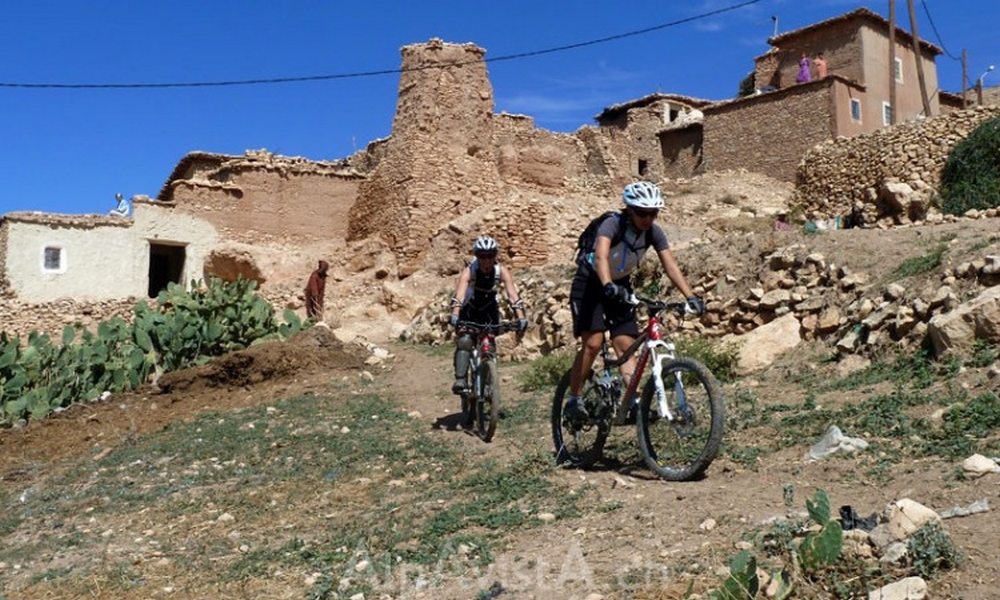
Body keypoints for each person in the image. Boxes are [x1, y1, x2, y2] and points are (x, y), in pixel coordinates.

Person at [564, 181, 705, 421]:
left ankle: (634, 401)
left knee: (625, 343)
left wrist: (690, 296)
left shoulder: (653, 232)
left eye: (653, 213)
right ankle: (574, 399)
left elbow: (670, 265)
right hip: (590, 282)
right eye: (642, 213)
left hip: (620, 285)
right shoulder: (612, 224)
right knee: (594, 342)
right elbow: (601, 255)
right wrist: (607, 285)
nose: (648, 218)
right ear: (629, 209)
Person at [449, 236, 528, 394]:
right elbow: (460, 295)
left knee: (489, 344)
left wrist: (521, 317)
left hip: (489, 309)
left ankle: (488, 380)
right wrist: (455, 313)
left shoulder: (501, 271)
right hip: (470, 310)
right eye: (482, 256)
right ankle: (461, 379)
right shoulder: (470, 270)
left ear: (495, 255)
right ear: (477, 256)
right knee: (465, 340)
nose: (486, 260)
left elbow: (512, 294)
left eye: (490, 255)